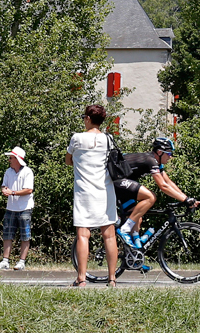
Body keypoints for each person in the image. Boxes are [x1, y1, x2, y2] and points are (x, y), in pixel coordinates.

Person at [115, 136, 199, 248]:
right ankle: (124, 229)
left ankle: (134, 258)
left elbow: (169, 183)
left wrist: (187, 199)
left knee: (136, 218)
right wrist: (185, 200)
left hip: (122, 185)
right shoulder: (150, 160)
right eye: (169, 153)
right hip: (115, 181)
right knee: (150, 197)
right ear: (160, 152)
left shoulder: (157, 163)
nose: (170, 157)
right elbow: (163, 186)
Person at [66, 104, 118, 286]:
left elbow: (68, 160)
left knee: (83, 234)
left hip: (84, 191)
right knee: (109, 234)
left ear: (88, 118)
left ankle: (82, 278)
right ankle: (112, 278)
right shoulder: (108, 139)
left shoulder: (77, 138)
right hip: (105, 191)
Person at [0, 146, 34, 270]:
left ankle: (22, 261)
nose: (10, 160)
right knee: (7, 234)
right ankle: (5, 261)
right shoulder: (8, 172)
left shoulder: (27, 171)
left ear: (18, 159)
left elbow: (28, 190)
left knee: (25, 235)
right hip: (11, 207)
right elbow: (3, 186)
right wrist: (4, 190)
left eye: (12, 158)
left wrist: (12, 192)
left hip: (25, 208)